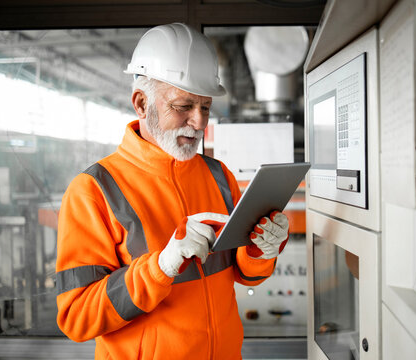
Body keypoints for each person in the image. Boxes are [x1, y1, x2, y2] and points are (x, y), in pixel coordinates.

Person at [55, 23, 289, 360]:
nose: (198, 122)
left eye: (205, 107)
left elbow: (243, 274)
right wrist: (160, 268)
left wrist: (261, 251)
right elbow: (76, 317)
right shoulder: (94, 190)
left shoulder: (218, 174)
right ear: (140, 103)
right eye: (183, 106)